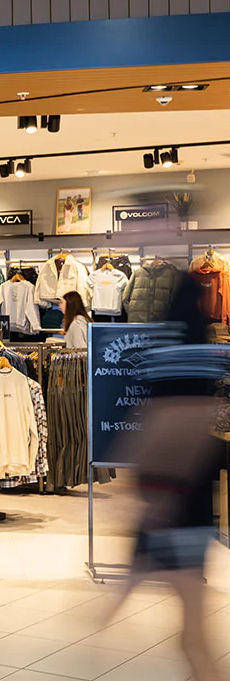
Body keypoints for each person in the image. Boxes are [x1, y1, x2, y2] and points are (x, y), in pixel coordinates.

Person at [103, 273, 229, 681]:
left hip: (168, 499)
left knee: (189, 633)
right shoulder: (203, 354)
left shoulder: (169, 359)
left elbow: (162, 423)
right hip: (185, 500)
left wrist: (141, 488)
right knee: (191, 631)